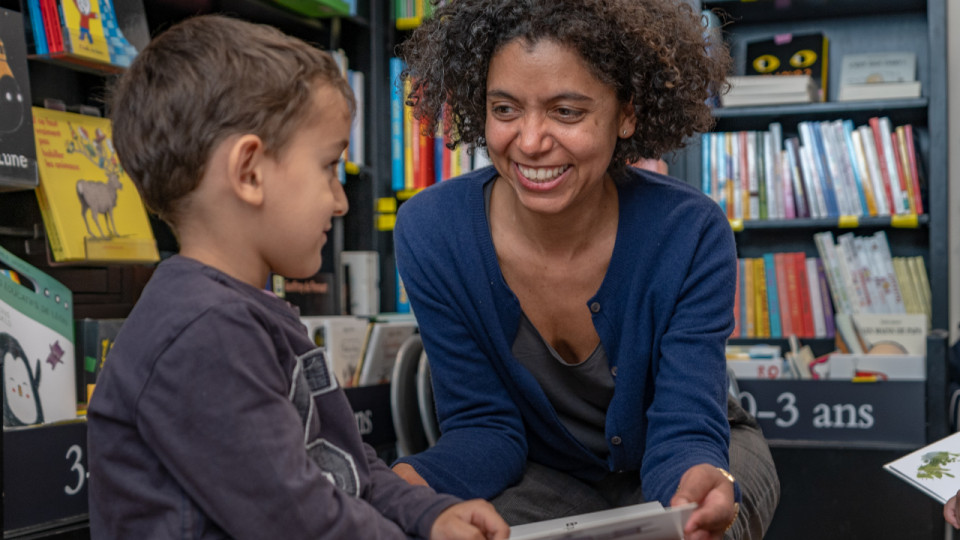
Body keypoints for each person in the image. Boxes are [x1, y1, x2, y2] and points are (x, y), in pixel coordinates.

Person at [85, 15, 509, 540]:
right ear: (249, 172)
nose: (340, 200)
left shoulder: (241, 314)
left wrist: (429, 513)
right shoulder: (202, 334)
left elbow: (344, 471)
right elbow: (300, 521)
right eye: (329, 167)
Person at [391, 1, 780, 539]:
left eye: (566, 112)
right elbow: (485, 428)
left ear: (627, 113)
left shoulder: (689, 231)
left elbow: (684, 425)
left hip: (695, 454)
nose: (529, 141)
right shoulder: (431, 232)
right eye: (504, 109)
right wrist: (403, 484)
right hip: (543, 473)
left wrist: (698, 481)